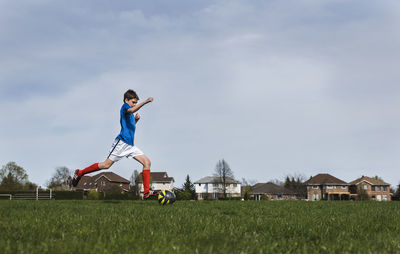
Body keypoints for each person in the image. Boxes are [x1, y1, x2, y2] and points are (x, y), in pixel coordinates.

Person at [72, 89, 156, 199]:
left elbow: (130, 127)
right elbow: (131, 110)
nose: (134, 104)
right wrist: (145, 102)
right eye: (133, 102)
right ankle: (80, 172)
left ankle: (146, 193)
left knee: (147, 162)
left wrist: (136, 121)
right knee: (105, 165)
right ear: (126, 100)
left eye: (136, 102)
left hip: (130, 146)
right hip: (121, 143)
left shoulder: (131, 114)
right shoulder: (125, 107)